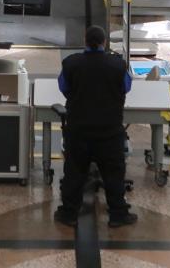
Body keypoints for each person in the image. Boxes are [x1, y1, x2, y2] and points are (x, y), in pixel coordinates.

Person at [53, 26, 138, 228]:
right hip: (109, 131)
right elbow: (126, 87)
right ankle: (118, 214)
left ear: (85, 40)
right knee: (114, 173)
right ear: (104, 42)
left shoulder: (71, 63)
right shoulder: (118, 65)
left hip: (79, 130)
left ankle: (68, 213)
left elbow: (64, 87)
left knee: (74, 171)